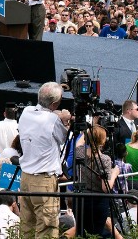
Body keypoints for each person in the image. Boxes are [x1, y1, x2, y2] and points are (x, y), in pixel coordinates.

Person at [17, 81, 68, 239]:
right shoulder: (52, 120)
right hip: (44, 181)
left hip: (26, 178)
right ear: (54, 104)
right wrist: (65, 120)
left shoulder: (26, 112)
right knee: (47, 227)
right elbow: (63, 138)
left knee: (27, 227)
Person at [73, 124, 119, 238]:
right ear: (103, 141)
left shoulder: (80, 152)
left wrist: (86, 131)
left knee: (81, 232)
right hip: (97, 200)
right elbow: (106, 187)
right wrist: (114, 173)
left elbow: (79, 143)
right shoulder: (104, 159)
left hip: (80, 198)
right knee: (95, 233)